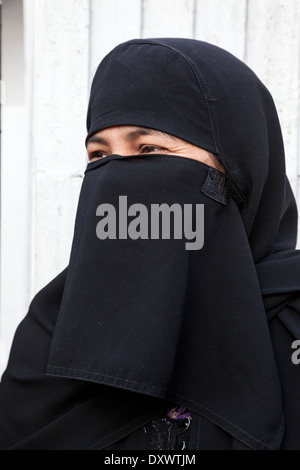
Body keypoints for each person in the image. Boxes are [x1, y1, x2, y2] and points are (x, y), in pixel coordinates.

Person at [0, 37, 299, 450]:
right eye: (99, 156)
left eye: (150, 149)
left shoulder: (292, 322)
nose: (119, 176)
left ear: (237, 166)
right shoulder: (53, 326)